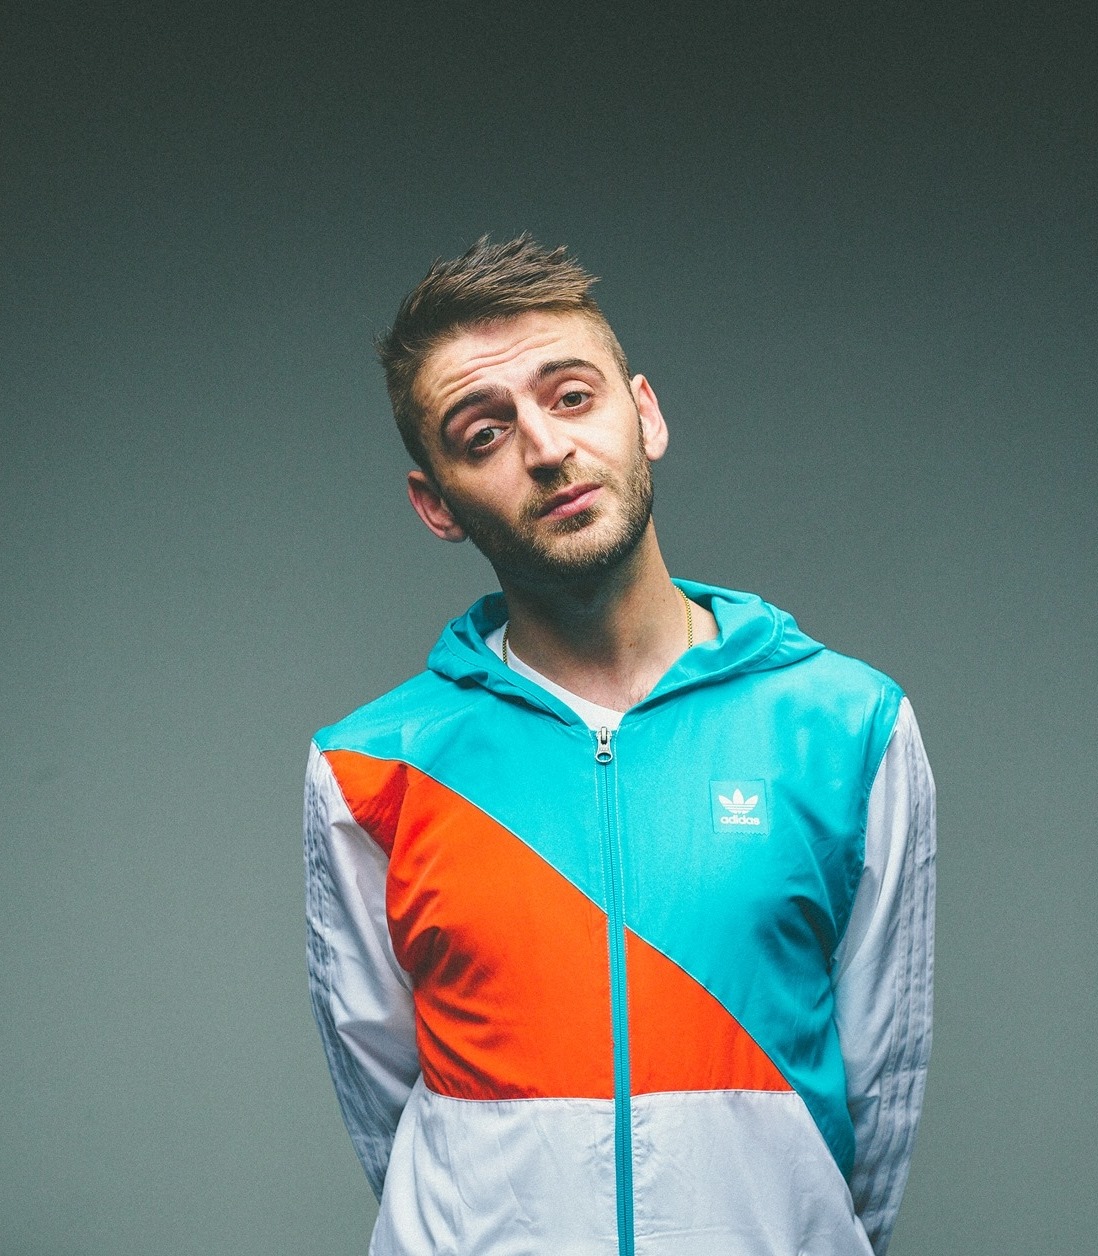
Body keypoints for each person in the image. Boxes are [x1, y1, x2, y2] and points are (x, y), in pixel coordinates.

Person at [303, 234, 936, 1256]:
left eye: (571, 396)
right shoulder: (372, 770)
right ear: (435, 504)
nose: (546, 448)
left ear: (644, 414)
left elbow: (879, 1094)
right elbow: (386, 1107)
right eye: (483, 434)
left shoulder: (847, 727)